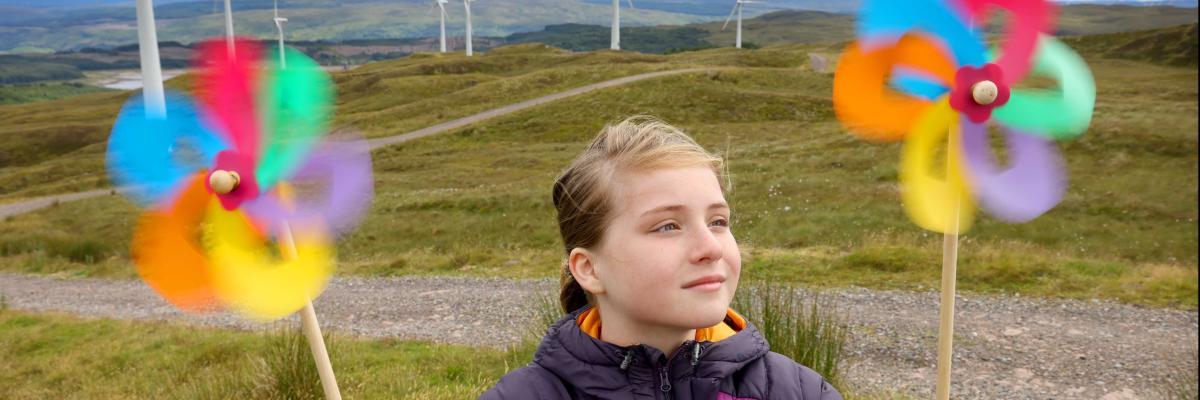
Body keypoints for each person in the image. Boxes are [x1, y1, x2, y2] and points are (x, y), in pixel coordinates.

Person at [479, 116, 842, 400]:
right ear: (589, 269)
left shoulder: (801, 391)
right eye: (668, 227)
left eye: (718, 221)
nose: (711, 248)